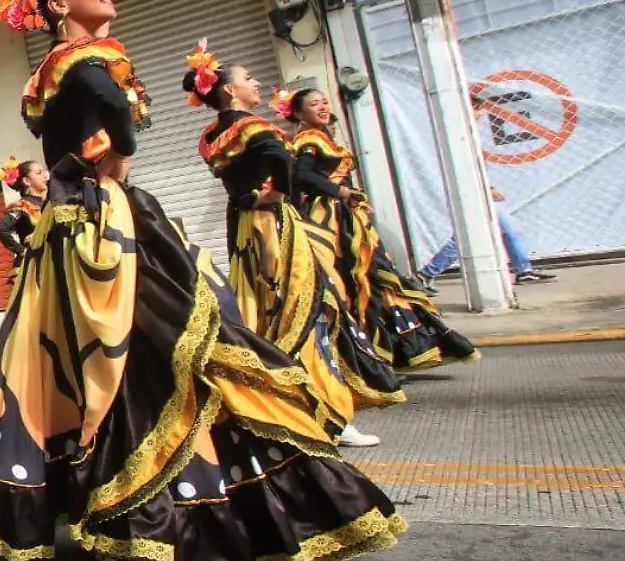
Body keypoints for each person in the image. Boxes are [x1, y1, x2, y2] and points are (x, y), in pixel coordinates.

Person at [0, 0, 404, 561]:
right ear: (57, 6)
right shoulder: (81, 64)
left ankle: (150, 494)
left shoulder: (62, 72)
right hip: (106, 224)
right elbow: (120, 127)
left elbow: (106, 128)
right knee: (159, 354)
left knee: (120, 363)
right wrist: (115, 128)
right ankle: (176, 503)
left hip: (85, 229)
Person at [188, 49, 404, 445]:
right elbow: (281, 159)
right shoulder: (253, 127)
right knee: (306, 311)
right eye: (249, 78)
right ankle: (325, 413)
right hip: (274, 226)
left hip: (243, 227)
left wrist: (251, 197)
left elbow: (240, 180)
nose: (256, 84)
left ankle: (273, 402)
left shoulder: (209, 136)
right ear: (231, 90)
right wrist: (279, 194)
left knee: (263, 311)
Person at [280, 89, 477, 370]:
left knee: (374, 277)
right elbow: (303, 176)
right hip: (334, 220)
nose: (322, 107)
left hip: (348, 216)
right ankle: (375, 351)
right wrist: (341, 192)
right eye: (314, 104)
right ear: (299, 114)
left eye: (324, 101)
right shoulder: (308, 139)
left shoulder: (322, 136)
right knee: (361, 278)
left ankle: (399, 347)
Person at [415, 189, 556, 290]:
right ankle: (426, 274)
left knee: (509, 231)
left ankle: (523, 271)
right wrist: (487, 189)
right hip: (471, 194)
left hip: (475, 193)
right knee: (463, 238)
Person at [0, 156, 49, 277]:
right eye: (39, 173)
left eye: (45, 171)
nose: (45, 176)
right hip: (32, 268)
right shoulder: (22, 206)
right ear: (27, 181)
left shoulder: (47, 203)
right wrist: (21, 250)